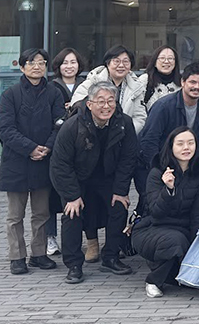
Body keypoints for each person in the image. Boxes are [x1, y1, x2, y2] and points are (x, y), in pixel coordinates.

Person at [50, 81, 138, 285]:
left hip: (107, 176)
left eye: (110, 101)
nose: (106, 106)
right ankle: (74, 265)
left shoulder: (124, 122)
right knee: (72, 213)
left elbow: (129, 158)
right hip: (77, 177)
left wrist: (121, 190)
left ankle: (111, 257)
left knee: (119, 207)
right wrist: (72, 196)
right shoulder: (72, 126)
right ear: (89, 104)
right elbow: (60, 164)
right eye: (101, 101)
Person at [0, 48, 66, 275]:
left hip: (44, 160)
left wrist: (47, 147)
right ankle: (17, 257)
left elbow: (60, 123)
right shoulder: (10, 95)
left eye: (41, 62)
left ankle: (39, 254)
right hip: (16, 161)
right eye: (31, 62)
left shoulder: (53, 93)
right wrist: (30, 148)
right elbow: (5, 129)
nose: (37, 66)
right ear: (22, 66)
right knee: (15, 215)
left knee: (42, 213)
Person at [131, 127, 199, 298]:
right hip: (152, 228)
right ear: (171, 147)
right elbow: (155, 212)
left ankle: (170, 270)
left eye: (190, 143)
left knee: (190, 246)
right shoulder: (157, 172)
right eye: (180, 144)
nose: (186, 148)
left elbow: (198, 214)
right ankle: (153, 281)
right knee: (176, 242)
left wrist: (198, 243)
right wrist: (168, 189)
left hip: (183, 229)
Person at [136, 63, 199, 199]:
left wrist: (198, 171)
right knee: (154, 205)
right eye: (192, 82)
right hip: (156, 165)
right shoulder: (163, 106)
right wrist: (159, 171)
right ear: (183, 82)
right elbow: (149, 141)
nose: (197, 87)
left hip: (185, 166)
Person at [47, 47, 88, 255]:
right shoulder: (52, 87)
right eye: (65, 62)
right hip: (58, 145)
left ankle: (82, 239)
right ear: (58, 66)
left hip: (82, 146)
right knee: (51, 196)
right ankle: (50, 238)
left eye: (73, 62)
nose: (69, 66)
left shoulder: (86, 85)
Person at [71, 45, 148, 133]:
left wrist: (123, 132)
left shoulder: (136, 87)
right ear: (108, 63)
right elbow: (77, 106)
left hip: (123, 135)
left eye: (126, 62)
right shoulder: (93, 81)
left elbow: (139, 118)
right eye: (116, 61)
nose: (121, 65)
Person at [142, 45, 181, 113]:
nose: (166, 61)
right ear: (154, 62)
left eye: (170, 58)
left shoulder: (183, 82)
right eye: (162, 58)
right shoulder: (145, 80)